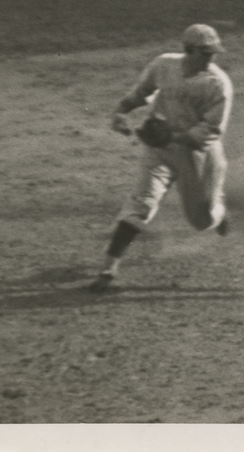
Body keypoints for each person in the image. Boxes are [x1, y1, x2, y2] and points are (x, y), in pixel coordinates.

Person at [88, 24, 234, 292]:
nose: (211, 58)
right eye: (204, 53)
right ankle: (108, 270)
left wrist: (173, 138)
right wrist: (120, 112)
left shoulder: (218, 84)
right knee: (140, 204)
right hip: (158, 150)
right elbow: (141, 92)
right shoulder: (164, 65)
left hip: (198, 156)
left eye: (213, 52)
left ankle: (221, 210)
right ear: (188, 50)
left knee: (201, 222)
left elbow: (211, 131)